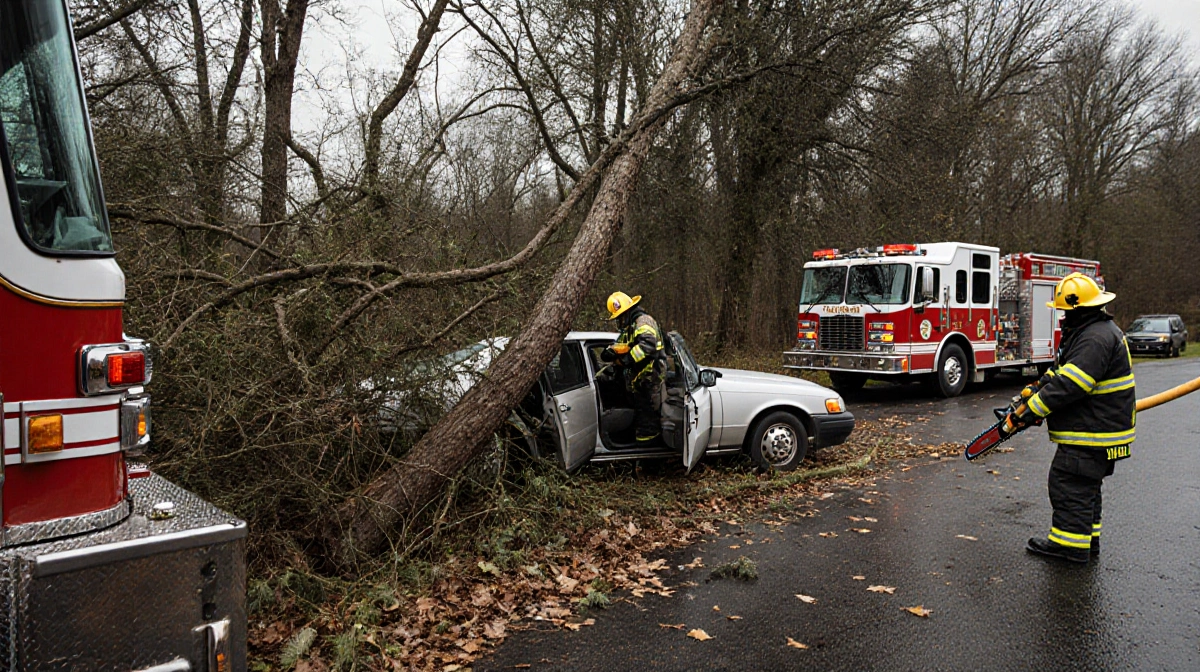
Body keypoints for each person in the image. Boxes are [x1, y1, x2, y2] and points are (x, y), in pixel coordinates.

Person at [1010, 272, 1135, 564]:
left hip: (1091, 433)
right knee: (1085, 486)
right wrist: (1035, 390)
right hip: (1100, 431)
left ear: (1079, 310)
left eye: (1066, 312)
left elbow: (1072, 384)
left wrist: (1032, 411)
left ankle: (1068, 547)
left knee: (1068, 483)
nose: (1063, 318)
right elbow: (1061, 373)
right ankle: (1086, 541)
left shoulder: (1094, 338)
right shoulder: (1096, 332)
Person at [600, 291, 665, 442]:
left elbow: (647, 345)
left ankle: (647, 449)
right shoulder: (631, 326)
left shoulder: (643, 322)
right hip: (639, 377)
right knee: (640, 412)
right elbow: (621, 344)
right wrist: (610, 352)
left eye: (619, 317)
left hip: (650, 376)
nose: (619, 322)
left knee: (647, 418)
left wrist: (625, 361)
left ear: (627, 313)